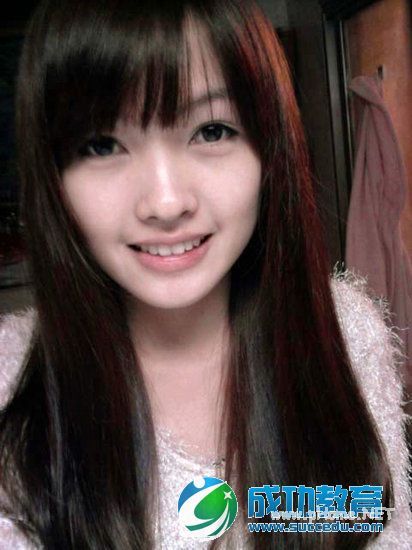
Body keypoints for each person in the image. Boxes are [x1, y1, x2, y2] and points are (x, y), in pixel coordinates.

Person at [0, 0, 411, 548]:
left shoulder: (346, 332)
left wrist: (258, 514)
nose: (166, 202)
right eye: (102, 144)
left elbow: (374, 524)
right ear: (52, 177)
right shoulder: (9, 383)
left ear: (270, 148)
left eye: (212, 131)